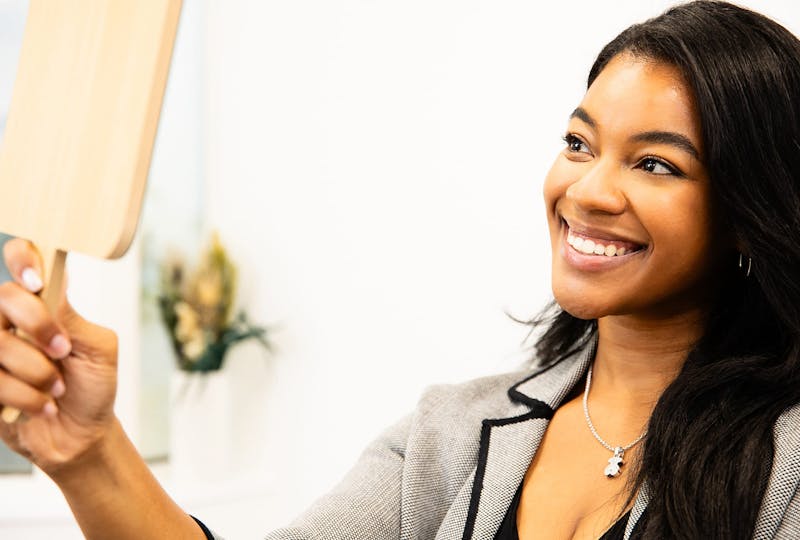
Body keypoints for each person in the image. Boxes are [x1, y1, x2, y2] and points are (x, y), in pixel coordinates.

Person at [1, 1, 800, 538]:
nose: (588, 191)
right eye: (579, 143)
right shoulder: (446, 437)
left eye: (655, 165)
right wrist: (89, 447)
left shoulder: (786, 464)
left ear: (749, 208)